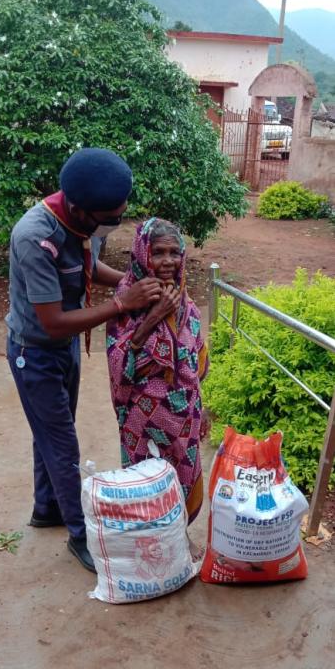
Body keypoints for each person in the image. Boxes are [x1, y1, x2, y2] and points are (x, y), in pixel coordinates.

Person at [6, 148, 162, 571]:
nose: (113, 224)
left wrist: (131, 284)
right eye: (109, 219)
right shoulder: (35, 238)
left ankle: (47, 508)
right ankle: (81, 535)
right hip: (35, 353)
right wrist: (122, 304)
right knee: (62, 445)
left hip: (65, 347)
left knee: (51, 432)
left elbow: (90, 266)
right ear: (77, 209)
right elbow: (54, 321)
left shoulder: (85, 219)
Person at [106, 217, 209, 526]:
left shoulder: (185, 302)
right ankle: (152, 545)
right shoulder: (127, 300)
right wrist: (154, 317)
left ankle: (178, 538)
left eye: (174, 252)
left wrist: (200, 405)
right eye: (158, 252)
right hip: (142, 422)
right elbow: (119, 368)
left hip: (184, 419)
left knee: (183, 483)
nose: (168, 261)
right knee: (147, 492)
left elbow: (194, 362)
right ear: (142, 254)